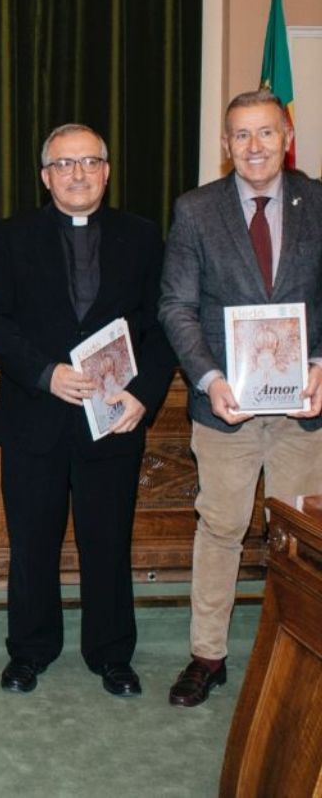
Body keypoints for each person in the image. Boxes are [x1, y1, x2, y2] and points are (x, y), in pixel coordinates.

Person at [0, 123, 175, 697]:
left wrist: (144, 394)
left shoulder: (140, 237)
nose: (78, 173)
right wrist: (45, 373)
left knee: (107, 541)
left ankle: (111, 654)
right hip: (36, 415)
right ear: (45, 177)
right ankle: (30, 651)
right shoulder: (12, 236)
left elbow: (162, 325)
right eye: (64, 164)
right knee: (31, 544)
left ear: (107, 171)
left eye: (89, 162)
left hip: (113, 417)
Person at [159, 90, 322, 707]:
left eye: (265, 133)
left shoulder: (320, 203)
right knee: (222, 528)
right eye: (240, 136)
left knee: (300, 539)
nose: (254, 147)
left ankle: (298, 653)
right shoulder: (197, 211)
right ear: (225, 145)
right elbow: (176, 304)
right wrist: (209, 378)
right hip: (226, 407)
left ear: (286, 136)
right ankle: (208, 656)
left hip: (304, 410)